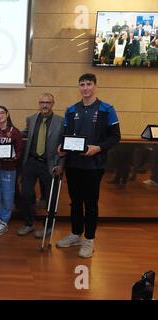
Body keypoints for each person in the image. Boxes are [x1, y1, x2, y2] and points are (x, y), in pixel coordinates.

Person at [57, 73, 120, 258]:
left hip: (94, 165)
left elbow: (115, 137)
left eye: (89, 84)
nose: (85, 88)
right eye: (82, 84)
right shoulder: (71, 110)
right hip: (74, 164)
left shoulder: (107, 109)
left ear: (95, 86)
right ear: (79, 87)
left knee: (90, 203)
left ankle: (89, 239)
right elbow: (66, 135)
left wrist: (98, 148)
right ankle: (76, 234)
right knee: (75, 202)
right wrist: (61, 147)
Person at [17, 94, 64, 238]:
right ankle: (28, 224)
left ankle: (48, 227)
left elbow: (64, 145)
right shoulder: (31, 119)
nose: (45, 105)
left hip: (49, 164)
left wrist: (61, 165)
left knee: (51, 197)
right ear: (38, 103)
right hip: (31, 162)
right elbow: (25, 135)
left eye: (48, 103)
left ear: (53, 104)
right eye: (42, 102)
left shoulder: (61, 122)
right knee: (25, 194)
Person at [0, 106, 23, 236]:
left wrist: (12, 156)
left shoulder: (15, 132)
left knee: (7, 195)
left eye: (2, 113)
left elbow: (19, 151)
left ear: (7, 114)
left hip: (9, 168)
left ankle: (4, 221)